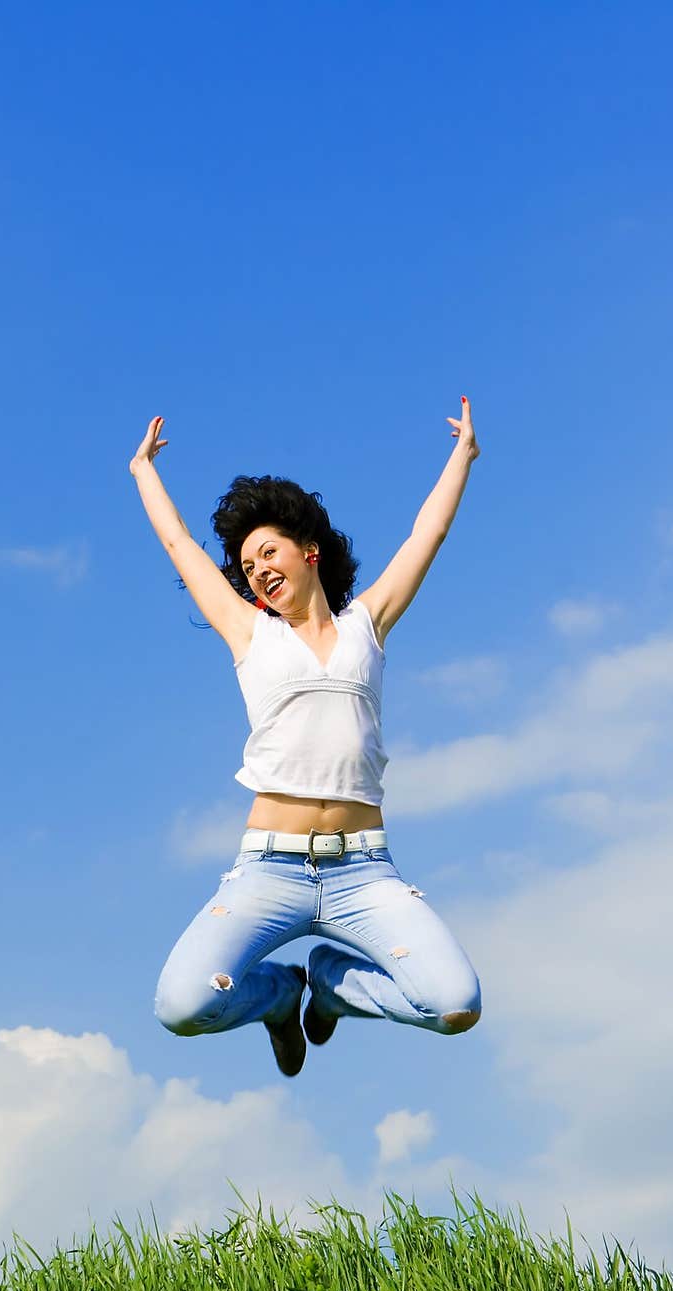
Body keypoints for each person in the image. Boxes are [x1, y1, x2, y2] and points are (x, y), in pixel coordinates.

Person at [129, 399, 482, 1076]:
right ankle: (277, 996)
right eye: (248, 564)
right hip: (269, 869)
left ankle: (331, 988)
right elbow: (179, 546)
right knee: (180, 1007)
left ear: (308, 551)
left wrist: (461, 455)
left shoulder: (366, 627)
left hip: (364, 872)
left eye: (269, 551)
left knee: (454, 1004)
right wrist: (144, 471)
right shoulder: (249, 634)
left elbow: (425, 537)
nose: (258, 568)